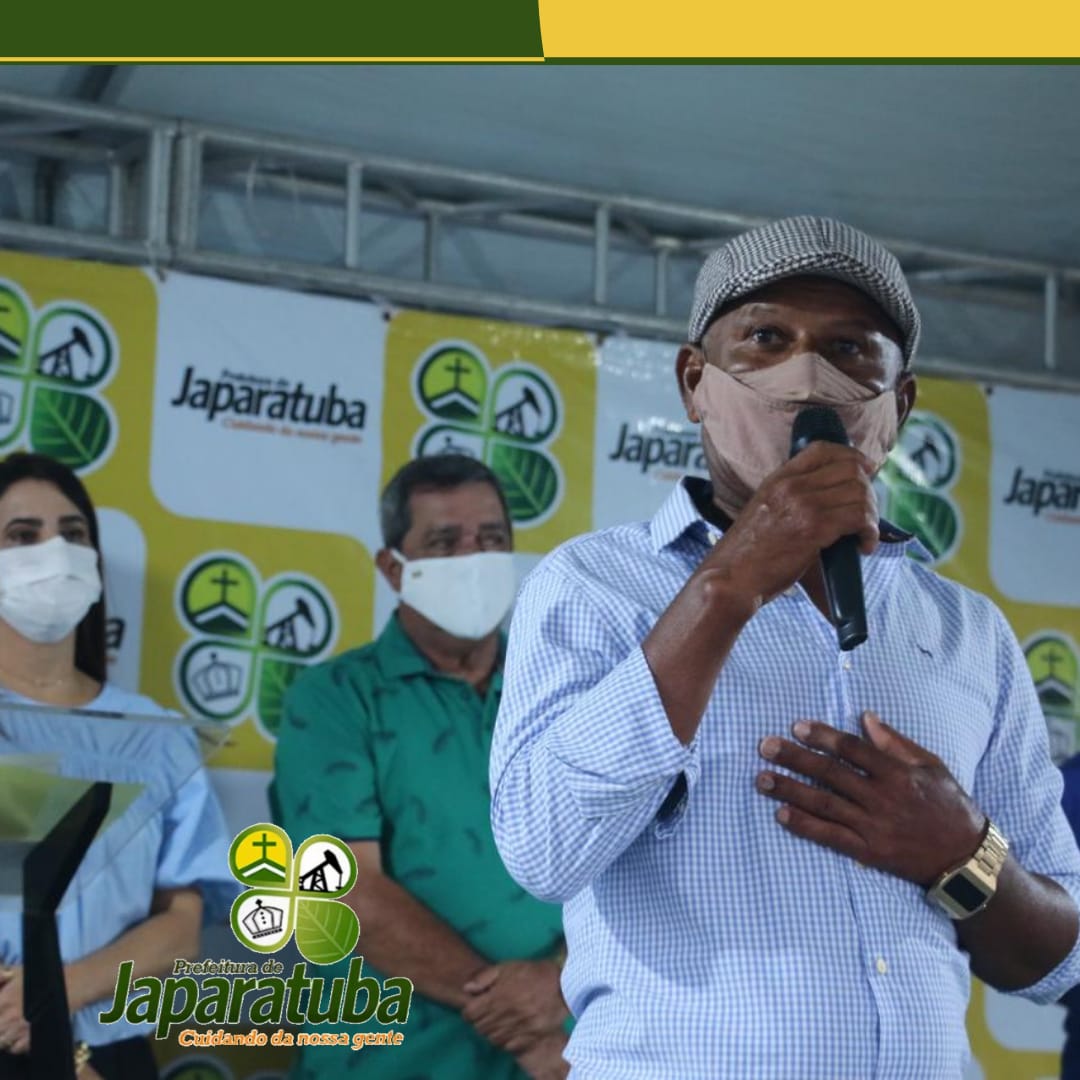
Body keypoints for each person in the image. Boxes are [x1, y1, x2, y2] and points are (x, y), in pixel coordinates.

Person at [489, 216, 1080, 1078]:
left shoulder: (970, 632)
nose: (807, 376)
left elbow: (1055, 959)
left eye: (849, 349)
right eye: (767, 338)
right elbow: (543, 850)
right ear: (694, 381)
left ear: (899, 405)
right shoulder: (595, 585)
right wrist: (728, 583)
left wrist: (962, 852)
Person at [271, 454, 569, 1080]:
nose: (472, 558)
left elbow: (626, 867)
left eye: (491, 539)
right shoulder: (335, 699)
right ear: (393, 568)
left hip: (568, 1047)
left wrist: (558, 984)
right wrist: (520, 1026)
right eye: (443, 542)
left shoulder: (561, 692)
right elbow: (344, 890)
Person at [0, 451, 235, 1080]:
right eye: (23, 535)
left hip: (107, 1055)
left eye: (73, 534)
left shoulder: (155, 735)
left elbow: (181, 926)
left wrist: (59, 995)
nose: (55, 552)